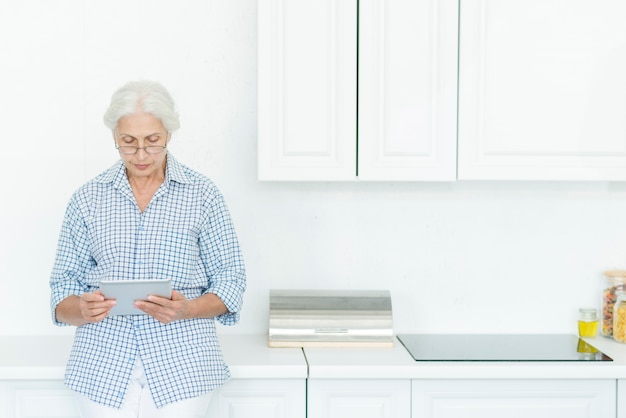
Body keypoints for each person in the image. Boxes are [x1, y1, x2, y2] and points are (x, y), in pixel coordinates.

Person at [49, 80, 246, 417]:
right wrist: (80, 309)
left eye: (152, 142)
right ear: (114, 137)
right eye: (128, 143)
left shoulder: (203, 195)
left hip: (184, 361)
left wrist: (188, 308)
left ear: (169, 134)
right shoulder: (87, 199)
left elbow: (232, 281)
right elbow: (61, 291)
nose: (141, 154)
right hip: (102, 363)